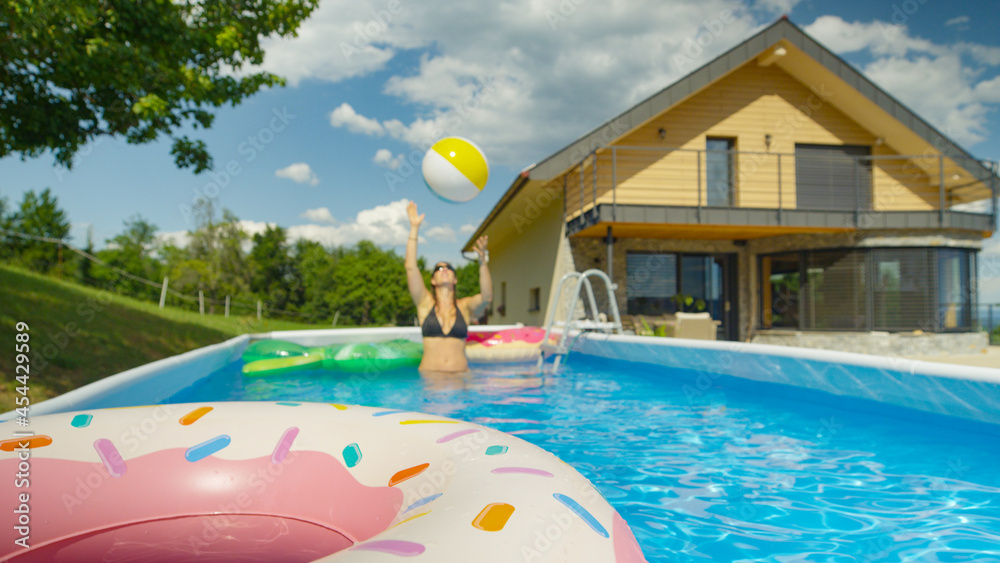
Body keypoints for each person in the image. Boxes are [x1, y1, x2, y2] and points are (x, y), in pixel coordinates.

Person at [405, 201, 492, 373]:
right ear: (433, 280)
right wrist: (414, 228)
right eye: (439, 268)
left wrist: (482, 262)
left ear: (455, 279)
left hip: (460, 380)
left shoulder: (464, 306)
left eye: (449, 268)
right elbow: (410, 267)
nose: (444, 270)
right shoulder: (425, 304)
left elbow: (487, 297)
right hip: (430, 383)